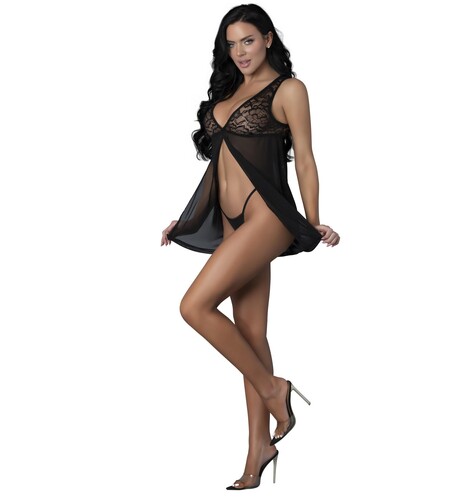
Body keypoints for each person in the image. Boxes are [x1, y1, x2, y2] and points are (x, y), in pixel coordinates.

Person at [161, 3, 340, 490]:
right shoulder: (227, 92)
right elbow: (219, 168)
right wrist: (188, 219)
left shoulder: (289, 89)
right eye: (231, 44)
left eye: (248, 40)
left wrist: (313, 220)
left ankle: (274, 389)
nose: (240, 51)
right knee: (251, 335)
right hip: (230, 221)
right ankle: (258, 448)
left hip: (267, 216)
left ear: (267, 39)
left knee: (194, 307)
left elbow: (305, 158)